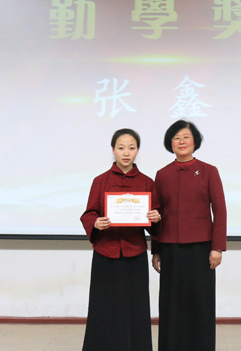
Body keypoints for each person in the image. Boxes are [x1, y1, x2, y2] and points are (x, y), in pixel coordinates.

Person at [80, 128, 162, 351]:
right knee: (103, 307)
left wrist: (156, 218)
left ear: (137, 151)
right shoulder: (100, 181)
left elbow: (156, 220)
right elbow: (89, 213)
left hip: (135, 253)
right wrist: (95, 223)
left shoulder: (147, 183)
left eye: (132, 148)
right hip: (105, 253)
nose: (126, 153)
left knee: (135, 308)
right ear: (113, 150)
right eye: (121, 148)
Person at [151, 120, 227, 351]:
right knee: (172, 304)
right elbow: (157, 213)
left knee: (200, 303)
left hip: (201, 250)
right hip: (170, 249)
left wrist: (217, 247)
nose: (181, 142)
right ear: (170, 143)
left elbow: (220, 211)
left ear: (195, 141)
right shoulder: (162, 174)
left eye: (186, 137)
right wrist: (156, 250)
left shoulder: (209, 171)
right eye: (176, 138)